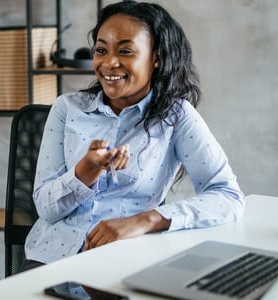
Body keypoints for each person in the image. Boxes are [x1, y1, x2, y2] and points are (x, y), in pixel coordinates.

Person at [22, 0, 244, 270]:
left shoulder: (176, 116)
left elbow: (227, 196)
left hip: (127, 261)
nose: (109, 62)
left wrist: (146, 220)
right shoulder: (66, 109)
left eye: (125, 50)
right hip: (51, 260)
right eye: (101, 50)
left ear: (156, 57)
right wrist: (86, 170)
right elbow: (46, 209)